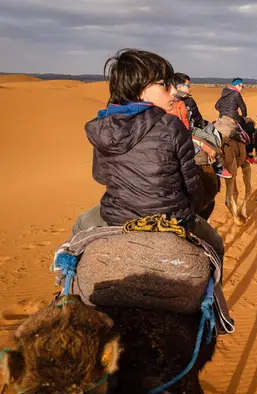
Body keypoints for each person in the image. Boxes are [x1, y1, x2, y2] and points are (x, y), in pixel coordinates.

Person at [73, 48, 224, 261]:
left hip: (116, 217)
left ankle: (65, 286)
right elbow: (191, 185)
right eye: (164, 84)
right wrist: (190, 210)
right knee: (215, 244)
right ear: (139, 89)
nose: (173, 91)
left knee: (80, 226)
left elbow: (100, 177)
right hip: (172, 220)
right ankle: (212, 295)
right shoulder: (171, 125)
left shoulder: (101, 126)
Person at [169, 73, 232, 179]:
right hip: (190, 130)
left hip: (170, 132)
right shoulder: (189, 101)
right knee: (211, 137)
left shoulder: (167, 99)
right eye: (188, 86)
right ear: (179, 86)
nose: (190, 88)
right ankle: (219, 166)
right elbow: (197, 118)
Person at [215, 78, 257, 164]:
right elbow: (243, 107)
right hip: (234, 117)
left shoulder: (224, 94)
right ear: (238, 85)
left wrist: (223, 111)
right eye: (242, 86)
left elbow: (216, 106)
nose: (242, 88)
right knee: (249, 128)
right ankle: (249, 154)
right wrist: (244, 116)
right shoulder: (236, 94)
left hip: (222, 118)